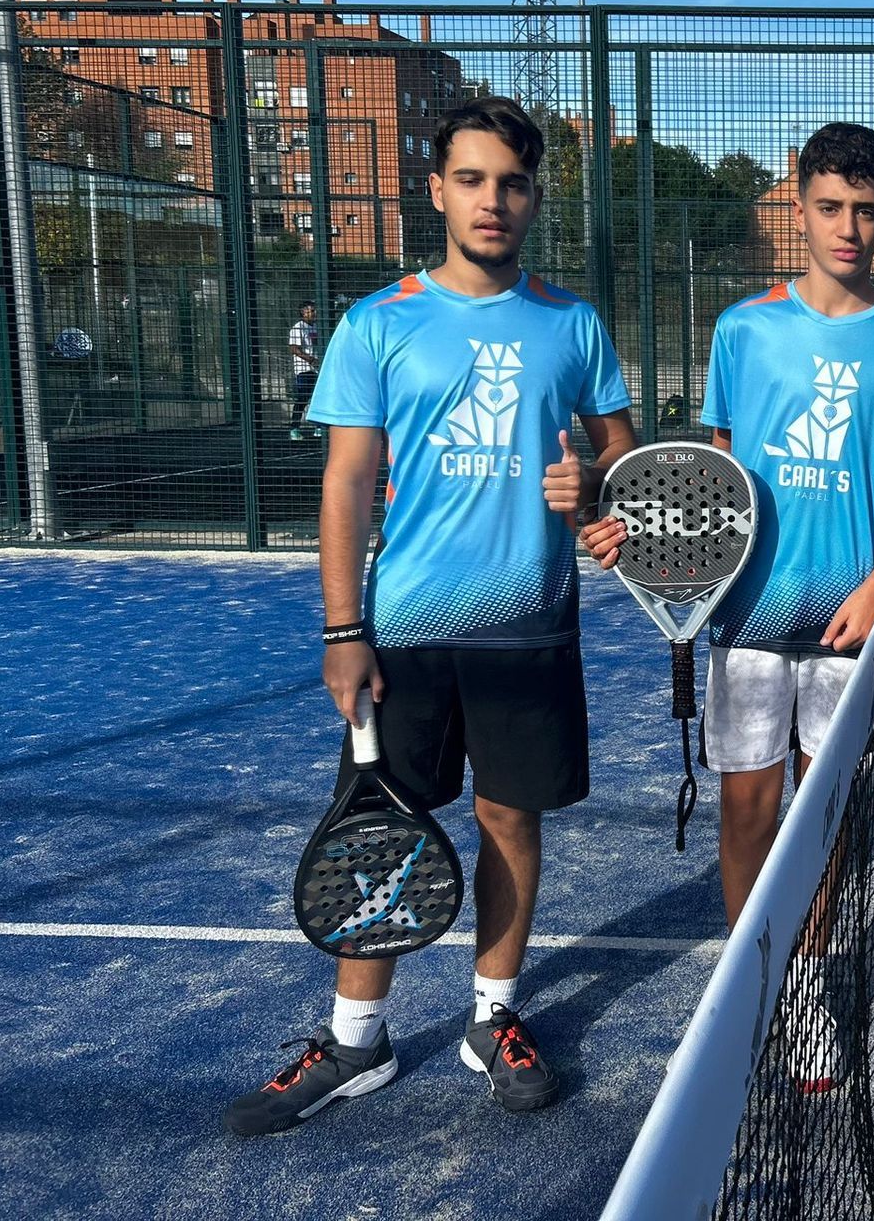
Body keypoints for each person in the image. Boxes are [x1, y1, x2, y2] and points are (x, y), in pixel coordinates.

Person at [225, 96, 636, 1136]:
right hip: (404, 629)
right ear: (438, 188)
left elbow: (626, 470)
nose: (492, 200)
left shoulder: (571, 322)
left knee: (511, 821)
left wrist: (595, 491)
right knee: (382, 836)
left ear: (536, 196)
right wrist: (340, 628)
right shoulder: (379, 321)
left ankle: (490, 1017)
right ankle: (356, 1043)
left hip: (530, 624)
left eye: (512, 182)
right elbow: (346, 485)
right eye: (472, 179)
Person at [585, 124, 874, 930]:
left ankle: (805, 981)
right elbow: (719, 474)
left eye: (866, 210)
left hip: (852, 621)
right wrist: (675, 566)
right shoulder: (744, 328)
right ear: (800, 211)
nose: (848, 228)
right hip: (747, 614)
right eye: (829, 207)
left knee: (824, 817)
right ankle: (752, 979)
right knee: (746, 811)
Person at [288, 300, 321, 441]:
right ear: (303, 313)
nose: (314, 313)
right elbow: (294, 348)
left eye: (314, 310)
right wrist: (309, 359)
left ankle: (318, 426)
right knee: (302, 398)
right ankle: (294, 428)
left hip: (317, 370)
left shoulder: (317, 327)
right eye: (310, 311)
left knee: (318, 398)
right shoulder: (298, 328)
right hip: (304, 369)